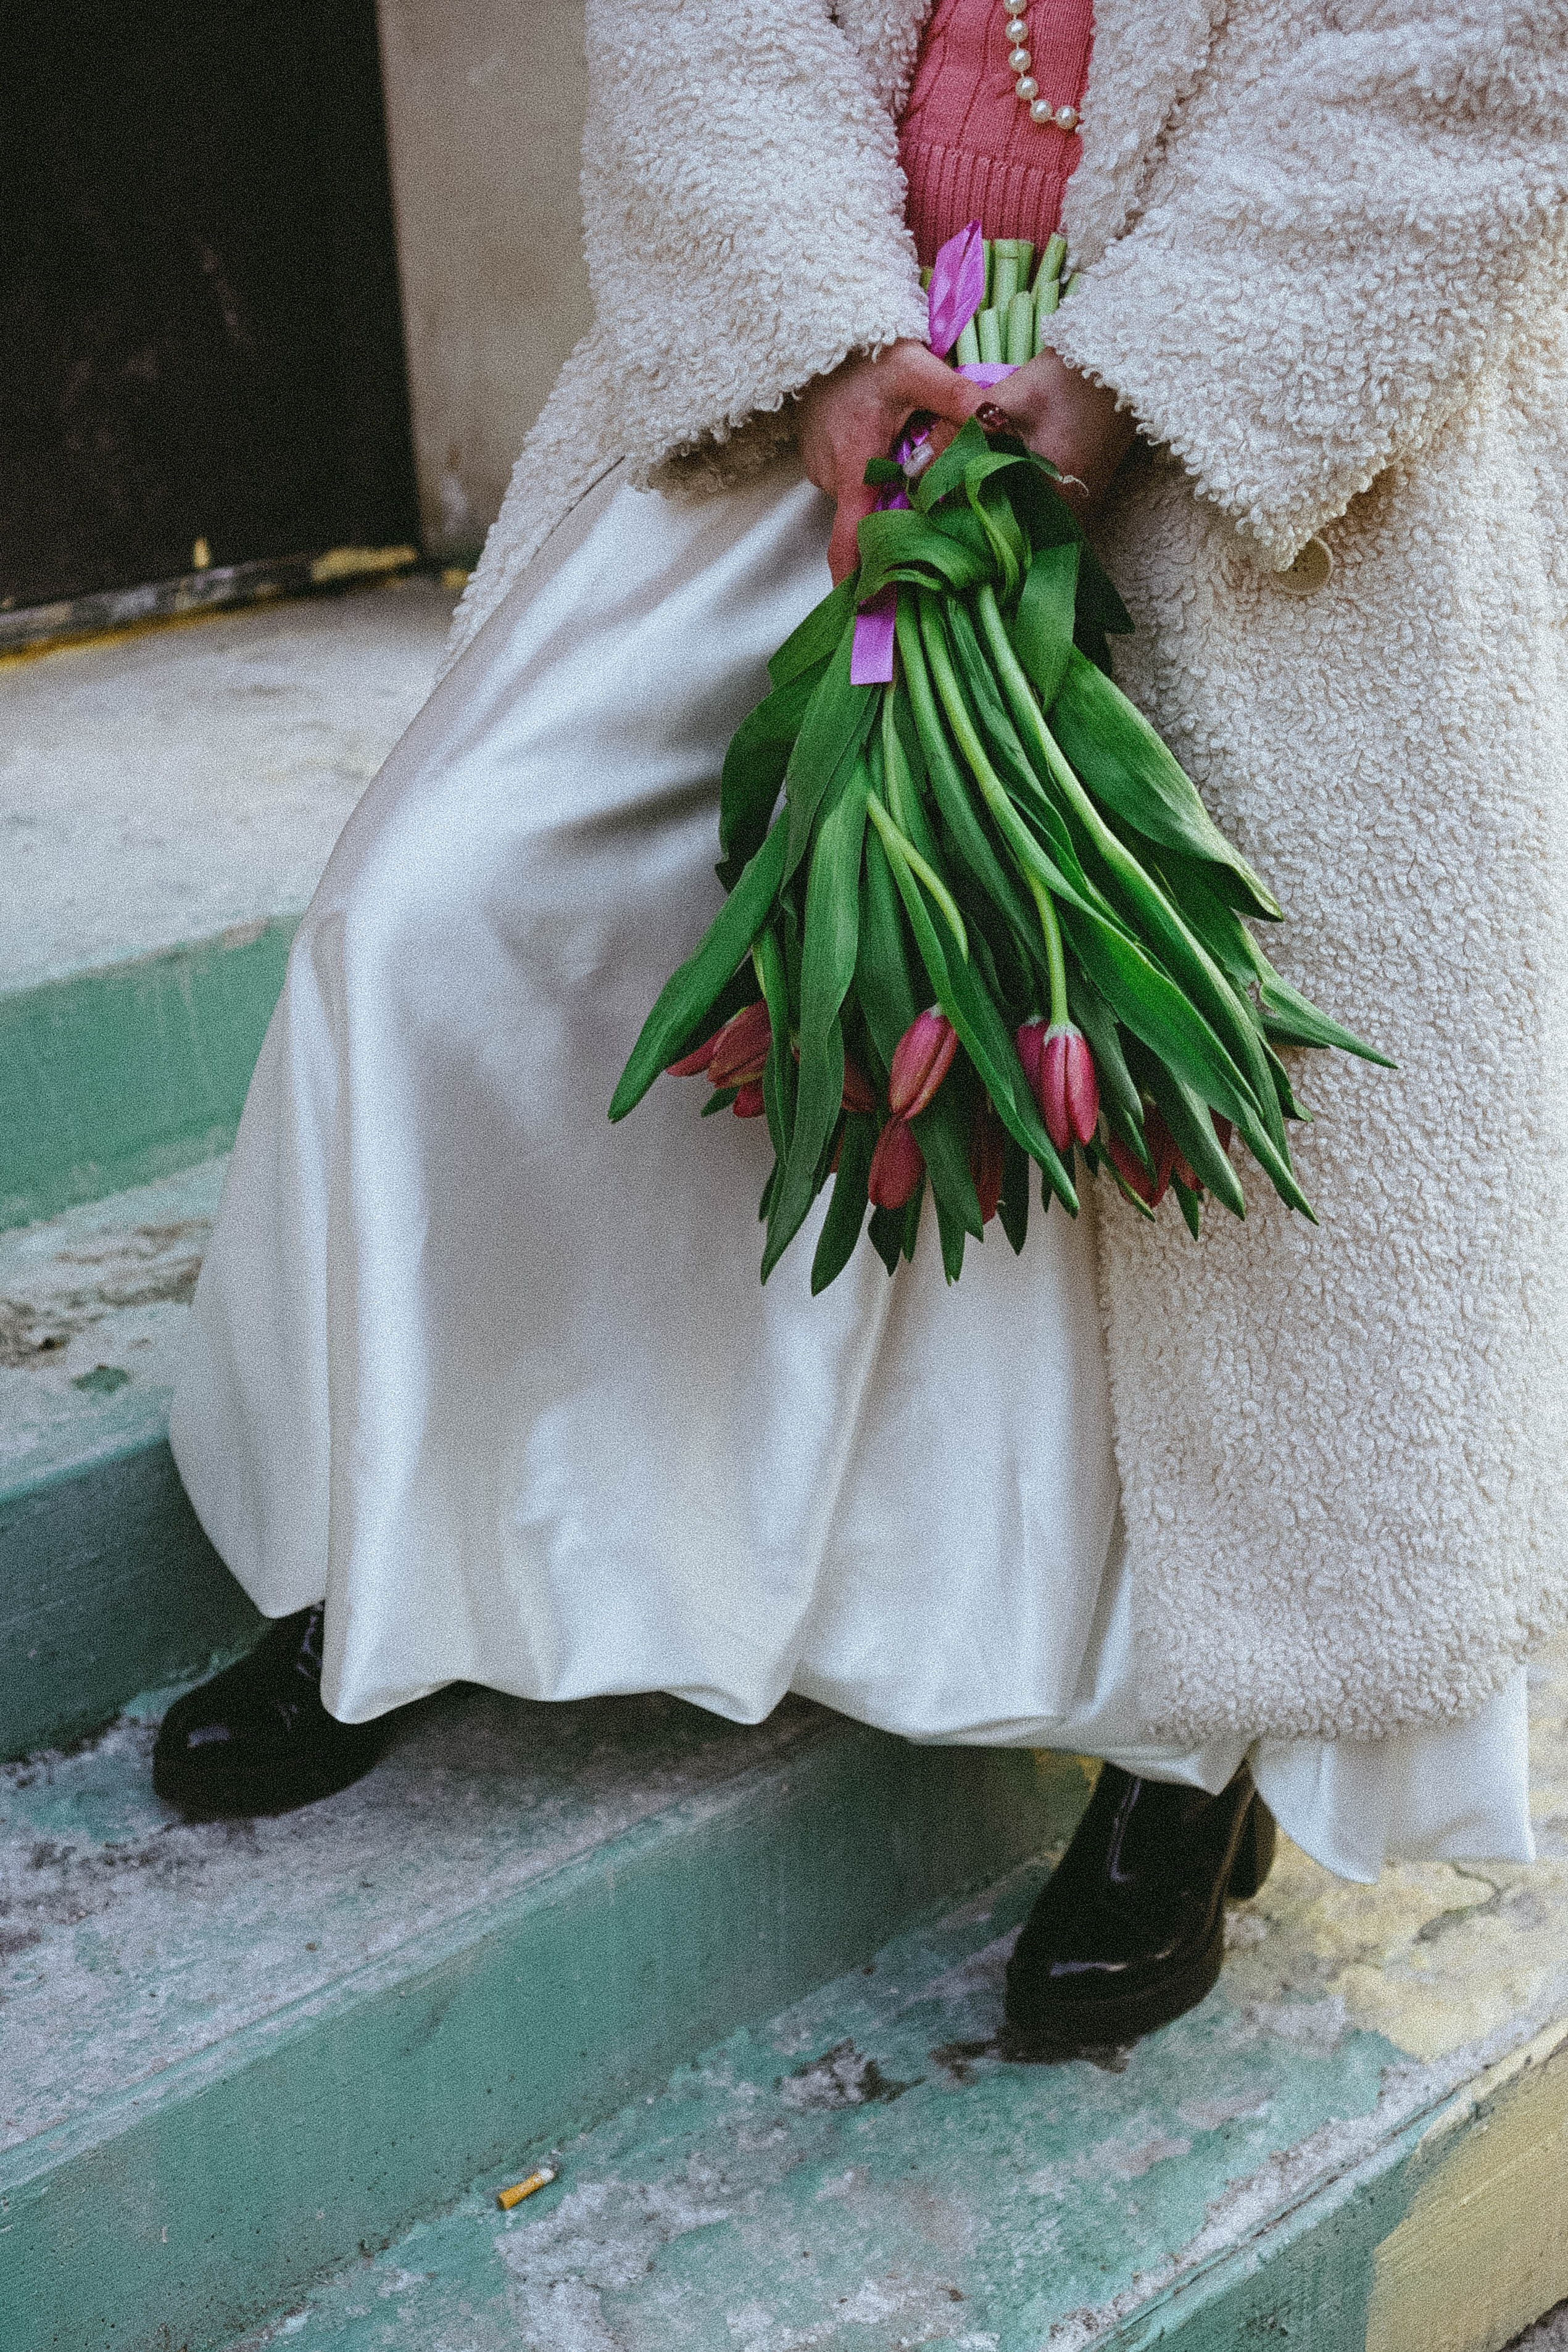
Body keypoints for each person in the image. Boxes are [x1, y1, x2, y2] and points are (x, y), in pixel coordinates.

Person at [156, 0, 1568, 2055]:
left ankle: (1204, 1754)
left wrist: (1153, 371)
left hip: (1266, 443)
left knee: (1250, 1104)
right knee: (433, 911)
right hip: (840, 385)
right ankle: (408, 1544)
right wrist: (816, 338)